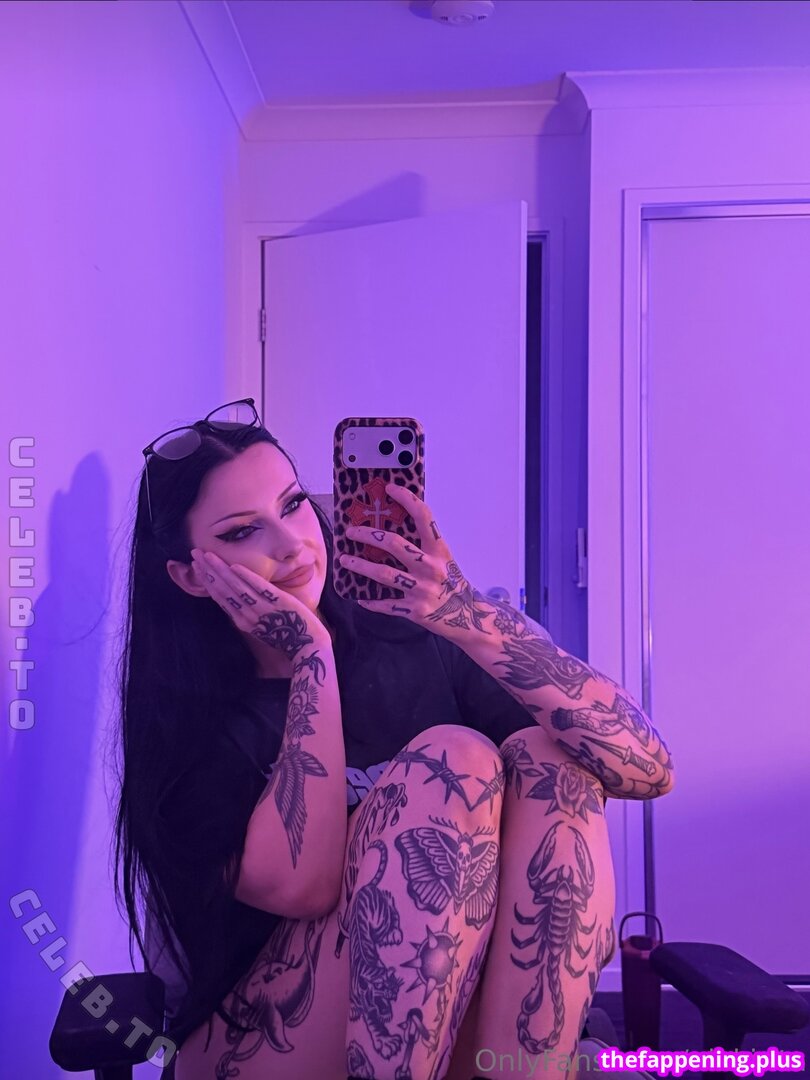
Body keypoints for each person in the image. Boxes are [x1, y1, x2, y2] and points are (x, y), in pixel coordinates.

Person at [113, 399, 670, 1080]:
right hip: (252, 1042)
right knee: (452, 760)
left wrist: (465, 614)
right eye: (242, 532)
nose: (292, 544)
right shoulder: (185, 718)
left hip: (452, 1025)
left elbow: (647, 768)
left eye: (293, 504)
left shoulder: (409, 637)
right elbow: (306, 889)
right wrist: (310, 657)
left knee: (554, 760)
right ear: (190, 575)